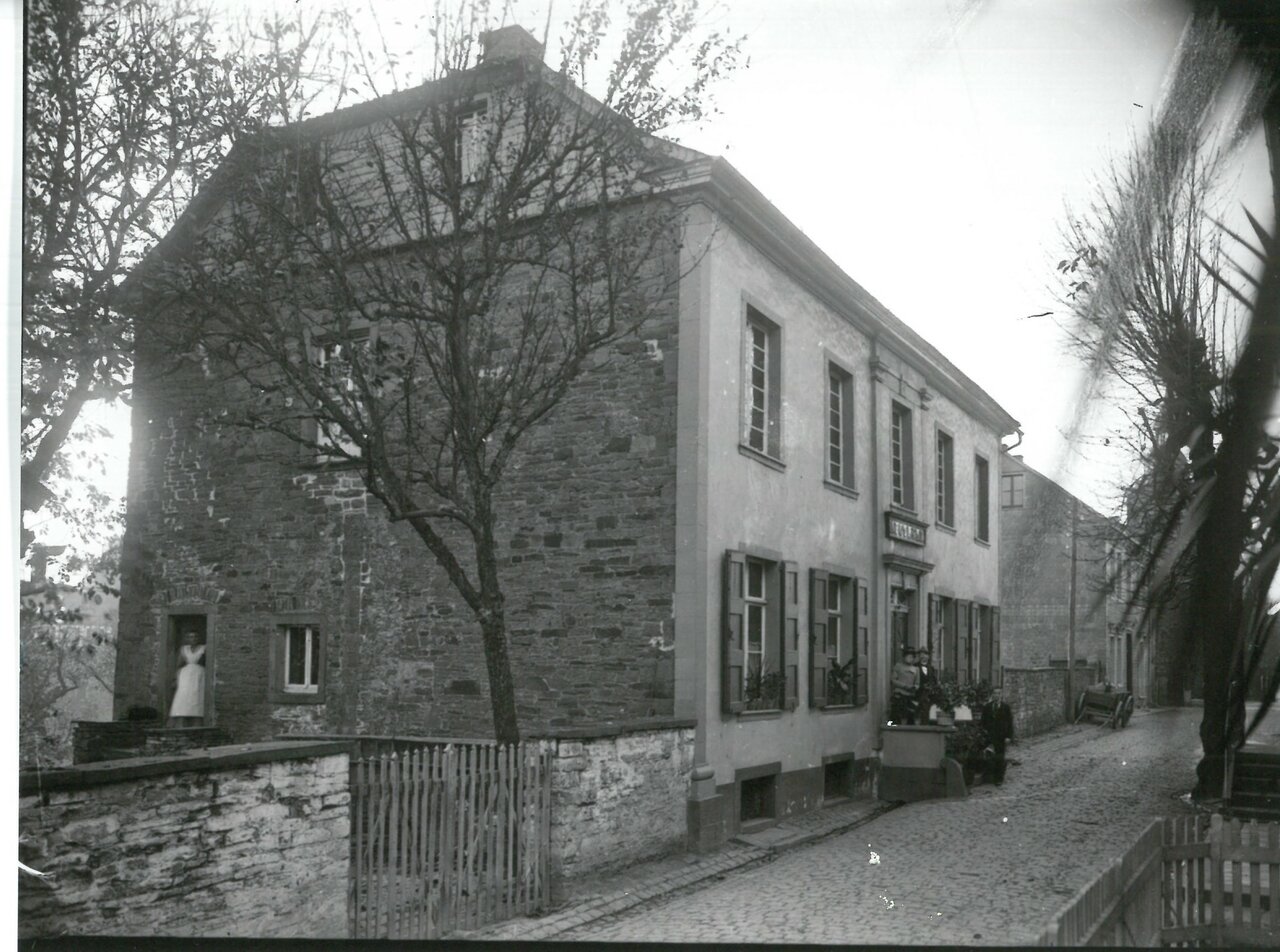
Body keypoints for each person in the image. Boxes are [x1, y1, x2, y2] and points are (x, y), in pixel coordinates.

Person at [169, 630, 206, 727]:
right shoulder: (184, 649)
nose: (193, 639)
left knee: (196, 695)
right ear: (187, 639)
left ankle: (196, 720)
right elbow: (179, 664)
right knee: (183, 694)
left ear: (198, 638)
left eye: (195, 637)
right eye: (190, 637)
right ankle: (181, 718)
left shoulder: (204, 648)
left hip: (199, 673)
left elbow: (206, 662)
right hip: (186, 674)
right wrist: (176, 678)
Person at [980, 687, 1015, 785]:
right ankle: (989, 776)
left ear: (1001, 695)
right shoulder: (987, 707)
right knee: (990, 756)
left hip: (1001, 736)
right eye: (995, 693)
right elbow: (983, 722)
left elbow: (1010, 723)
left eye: (999, 693)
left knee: (1000, 757)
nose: (996, 695)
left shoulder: (1005, 708)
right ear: (992, 695)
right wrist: (984, 732)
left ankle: (999, 779)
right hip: (990, 736)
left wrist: (1008, 736)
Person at [889, 647, 920, 725]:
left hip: (910, 696)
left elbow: (917, 683)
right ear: (904, 657)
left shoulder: (916, 669)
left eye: (912, 657)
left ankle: (909, 734)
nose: (910, 658)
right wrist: (904, 686)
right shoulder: (898, 666)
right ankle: (890, 730)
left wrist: (915, 688)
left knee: (910, 716)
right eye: (908, 656)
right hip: (899, 695)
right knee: (895, 716)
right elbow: (893, 680)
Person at [916, 648, 939, 720]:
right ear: (919, 656)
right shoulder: (915, 666)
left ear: (928, 657)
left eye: (925, 654)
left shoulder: (931, 668)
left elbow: (934, 680)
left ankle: (926, 724)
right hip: (918, 692)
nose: (923, 656)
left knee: (927, 710)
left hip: (929, 693)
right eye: (921, 655)